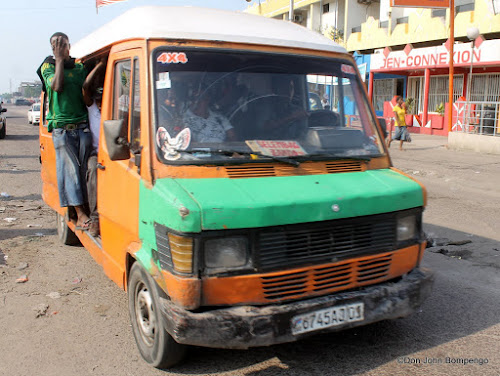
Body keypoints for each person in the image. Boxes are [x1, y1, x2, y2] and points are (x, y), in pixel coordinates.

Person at [37, 32, 92, 230]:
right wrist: (59, 60)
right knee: (70, 173)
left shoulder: (78, 68)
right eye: (55, 46)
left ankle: (87, 208)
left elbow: (87, 93)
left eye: (62, 45)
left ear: (70, 46)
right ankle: (79, 213)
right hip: (62, 129)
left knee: (86, 170)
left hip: (82, 126)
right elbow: (57, 87)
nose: (58, 49)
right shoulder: (48, 66)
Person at [82, 59, 106, 237]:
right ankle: (95, 217)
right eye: (97, 98)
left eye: (102, 98)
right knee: (93, 171)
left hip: (114, 153)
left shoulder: (115, 107)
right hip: (96, 153)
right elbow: (85, 87)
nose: (99, 102)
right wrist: (99, 65)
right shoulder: (92, 108)